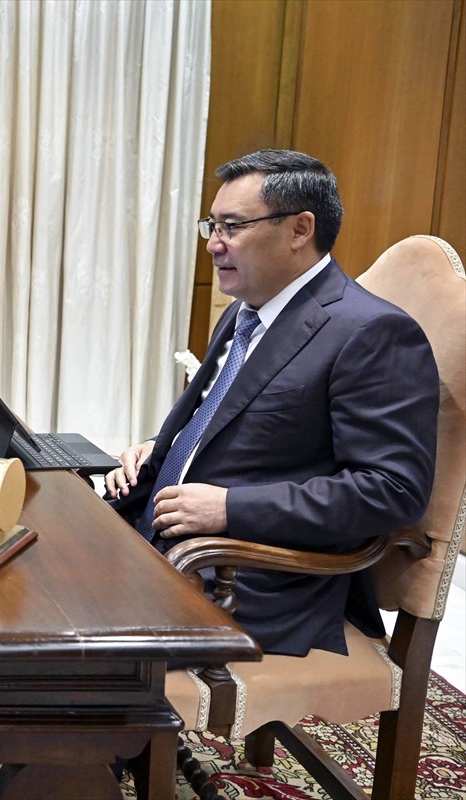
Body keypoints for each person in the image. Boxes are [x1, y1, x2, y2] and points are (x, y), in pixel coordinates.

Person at [105, 149, 439, 657]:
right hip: (159, 536)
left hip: (245, 578)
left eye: (232, 226)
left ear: (300, 229)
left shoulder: (371, 332)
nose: (214, 245)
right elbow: (234, 420)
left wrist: (229, 508)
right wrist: (160, 449)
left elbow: (391, 490)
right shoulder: (247, 310)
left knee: (58, 644)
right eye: (211, 226)